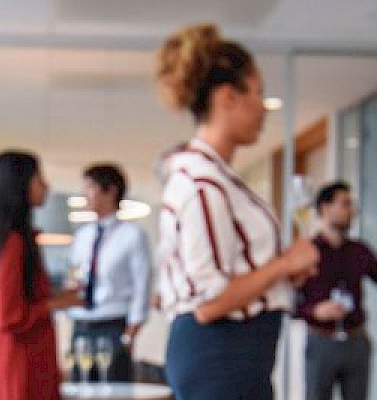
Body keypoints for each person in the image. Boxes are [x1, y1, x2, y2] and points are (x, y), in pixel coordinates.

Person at [152, 23, 320, 399]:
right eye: (258, 94)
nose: (263, 107)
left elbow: (234, 274)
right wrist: (285, 264)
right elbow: (210, 304)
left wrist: (283, 273)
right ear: (228, 96)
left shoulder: (218, 178)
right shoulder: (202, 182)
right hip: (220, 354)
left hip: (238, 355)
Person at [0, 151, 83, 400]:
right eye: (38, 179)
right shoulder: (13, 243)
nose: (46, 185)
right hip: (22, 360)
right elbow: (9, 315)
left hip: (17, 356)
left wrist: (54, 296)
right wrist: (56, 303)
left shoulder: (11, 240)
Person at [294, 182, 377, 400]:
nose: (352, 211)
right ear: (325, 209)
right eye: (345, 204)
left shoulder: (359, 251)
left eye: (352, 204)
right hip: (321, 342)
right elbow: (290, 303)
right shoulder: (307, 252)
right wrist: (315, 312)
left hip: (356, 342)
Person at [63, 163, 152, 383]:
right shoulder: (83, 236)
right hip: (81, 325)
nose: (85, 194)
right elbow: (74, 274)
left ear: (110, 191)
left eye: (90, 187)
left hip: (113, 325)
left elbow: (142, 285)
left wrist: (130, 333)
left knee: (113, 388)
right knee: (79, 387)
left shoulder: (132, 235)